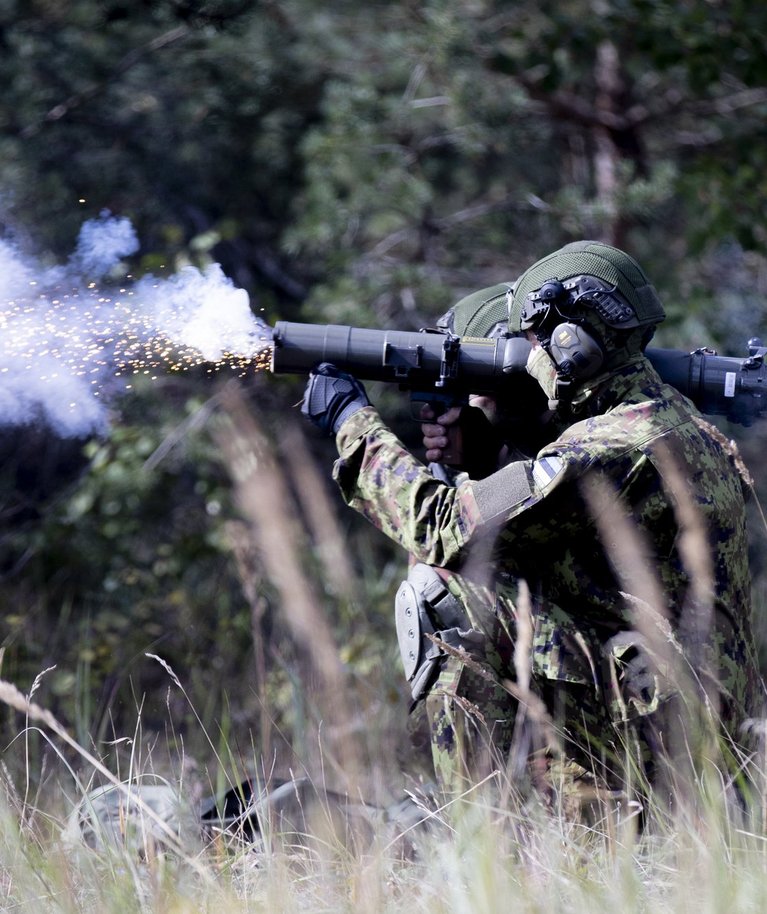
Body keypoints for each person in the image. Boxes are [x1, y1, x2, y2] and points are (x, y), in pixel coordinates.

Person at [301, 241, 763, 811]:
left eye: (534, 339)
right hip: (689, 735)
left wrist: (355, 426)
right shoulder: (663, 422)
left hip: (662, 757)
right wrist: (485, 451)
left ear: (573, 343)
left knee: (444, 596)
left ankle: (482, 839)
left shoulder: (611, 447)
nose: (526, 356)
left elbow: (443, 525)